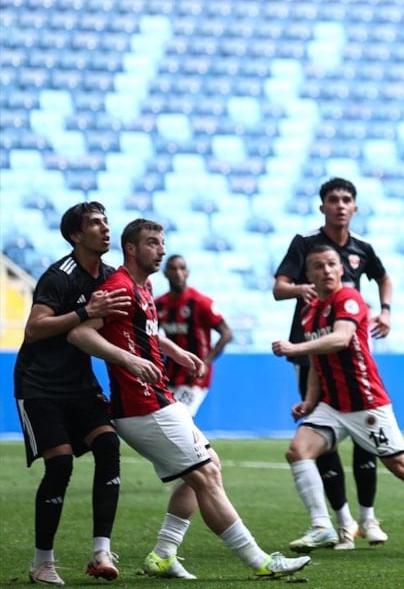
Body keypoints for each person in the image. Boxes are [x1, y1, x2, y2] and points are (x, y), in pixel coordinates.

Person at [67, 218, 311, 581]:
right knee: (206, 473)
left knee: (207, 466)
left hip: (156, 399)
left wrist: (175, 351)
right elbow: (80, 333)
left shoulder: (144, 285)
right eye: (152, 243)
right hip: (143, 406)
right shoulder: (120, 286)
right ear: (131, 248)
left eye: (162, 243)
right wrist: (129, 360)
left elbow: (141, 330)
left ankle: (164, 555)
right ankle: (259, 561)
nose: (161, 250)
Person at [271, 244, 404, 555]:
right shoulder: (308, 312)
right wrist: (310, 402)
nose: (326, 270)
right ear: (308, 275)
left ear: (341, 269)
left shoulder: (349, 298)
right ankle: (321, 526)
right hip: (332, 405)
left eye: (332, 264)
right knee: (298, 451)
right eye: (318, 266)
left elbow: (341, 338)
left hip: (366, 402)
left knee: (403, 468)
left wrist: (294, 348)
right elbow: (317, 360)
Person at [14, 201, 130, 586]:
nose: (105, 228)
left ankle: (101, 551)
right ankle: (42, 562)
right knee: (60, 463)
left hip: (80, 384)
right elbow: (34, 329)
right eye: (95, 223)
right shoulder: (58, 276)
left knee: (108, 445)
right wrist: (84, 312)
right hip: (39, 385)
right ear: (76, 235)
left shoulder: (111, 277)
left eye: (106, 221)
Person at [273, 177, 392, 551]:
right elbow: (279, 287)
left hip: (352, 354)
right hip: (312, 350)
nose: (340, 205)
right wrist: (300, 289)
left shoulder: (362, 248)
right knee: (321, 438)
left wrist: (386, 310)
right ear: (322, 206)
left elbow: (384, 277)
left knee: (365, 435)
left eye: (346, 199)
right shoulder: (305, 244)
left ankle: (368, 518)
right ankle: (343, 524)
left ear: (354, 207)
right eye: (333, 199)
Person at [155, 254, 233, 417]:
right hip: (170, 373)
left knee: (179, 417)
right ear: (165, 273)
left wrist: (206, 361)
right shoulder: (159, 304)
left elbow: (226, 333)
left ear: (188, 272)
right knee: (165, 417)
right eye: (173, 269)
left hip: (195, 375)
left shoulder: (200, 302)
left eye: (182, 268)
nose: (178, 273)